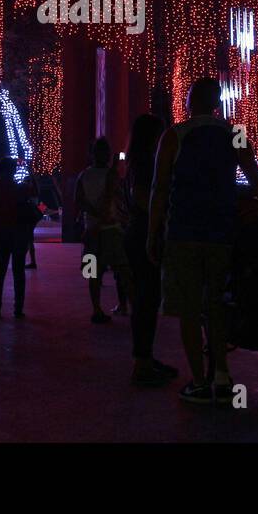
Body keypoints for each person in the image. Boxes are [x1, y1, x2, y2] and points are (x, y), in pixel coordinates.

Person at [148, 78, 258, 405]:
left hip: (183, 233)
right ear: (217, 103)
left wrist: (152, 232)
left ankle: (200, 382)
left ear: (190, 102)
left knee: (189, 309)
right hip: (222, 233)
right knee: (216, 304)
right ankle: (222, 374)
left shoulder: (174, 135)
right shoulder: (236, 134)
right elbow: (257, 182)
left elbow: (159, 189)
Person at [120, 113, 176, 387]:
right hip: (144, 232)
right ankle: (142, 363)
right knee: (146, 298)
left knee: (145, 299)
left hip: (136, 231)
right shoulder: (144, 163)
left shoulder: (135, 162)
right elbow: (144, 198)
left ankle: (145, 358)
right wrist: (163, 219)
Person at [77, 137, 129, 324]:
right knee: (120, 270)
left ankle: (96, 308)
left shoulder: (83, 175)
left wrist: (93, 214)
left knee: (92, 273)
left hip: (91, 231)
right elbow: (117, 200)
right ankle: (123, 305)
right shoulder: (112, 175)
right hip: (111, 230)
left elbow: (79, 201)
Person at [0, 158, 35, 318]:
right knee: (18, 272)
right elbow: (33, 192)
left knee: (0, 271)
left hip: (1, 233)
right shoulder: (20, 188)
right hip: (18, 233)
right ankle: (18, 308)